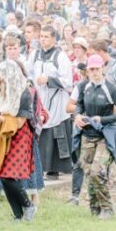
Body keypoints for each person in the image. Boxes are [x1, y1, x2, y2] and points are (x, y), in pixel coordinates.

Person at [73, 54, 116, 217]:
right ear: (87, 71)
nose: (94, 72)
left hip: (105, 134)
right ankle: (95, 208)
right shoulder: (84, 86)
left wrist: (102, 119)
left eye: (97, 69)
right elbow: (79, 105)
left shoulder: (111, 88)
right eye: (91, 69)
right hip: (87, 135)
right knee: (89, 173)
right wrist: (77, 115)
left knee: (98, 172)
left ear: (102, 68)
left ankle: (107, 207)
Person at [0, 59, 37, 221]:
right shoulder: (7, 92)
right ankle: (17, 214)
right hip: (6, 135)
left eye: (2, 77)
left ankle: (28, 206)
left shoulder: (24, 94)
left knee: (8, 176)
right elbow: (6, 113)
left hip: (20, 136)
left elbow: (18, 123)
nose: (1, 81)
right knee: (3, 176)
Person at [28, 25, 74, 177]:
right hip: (39, 99)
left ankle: (54, 169)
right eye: (41, 36)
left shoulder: (60, 56)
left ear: (54, 38)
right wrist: (31, 83)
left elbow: (67, 81)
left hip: (56, 100)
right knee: (38, 130)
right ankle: (38, 168)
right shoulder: (35, 54)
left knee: (56, 133)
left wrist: (49, 79)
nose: (43, 39)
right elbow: (28, 73)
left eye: (46, 37)